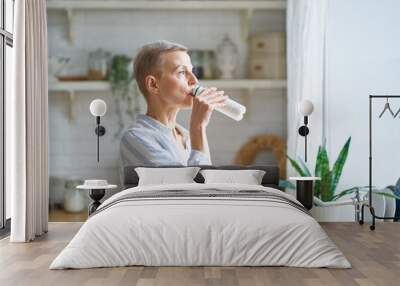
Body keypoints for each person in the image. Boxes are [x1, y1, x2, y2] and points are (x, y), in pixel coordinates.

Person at [120, 40, 227, 175]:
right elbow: (189, 192)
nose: (194, 80)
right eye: (182, 72)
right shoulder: (136, 138)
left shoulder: (187, 137)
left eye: (192, 71)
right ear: (153, 84)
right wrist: (198, 127)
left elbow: (207, 185)